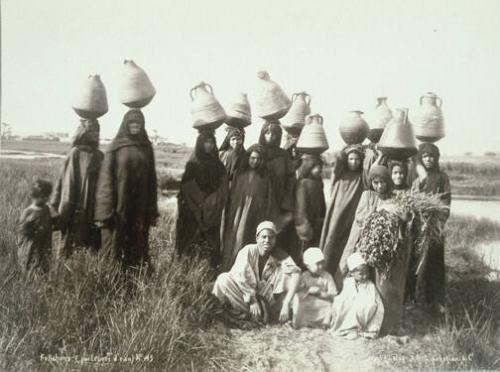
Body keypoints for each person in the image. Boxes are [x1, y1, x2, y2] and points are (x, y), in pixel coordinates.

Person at [340, 165, 411, 335]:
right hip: (371, 247)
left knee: (390, 286)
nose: (379, 186)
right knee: (372, 286)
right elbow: (360, 219)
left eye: (382, 182)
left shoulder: (397, 197)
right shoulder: (368, 196)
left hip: (391, 249)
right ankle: (370, 321)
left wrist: (399, 217)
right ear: (371, 182)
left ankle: (391, 323)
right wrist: (376, 216)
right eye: (376, 182)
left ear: (388, 182)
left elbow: (406, 219)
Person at [95, 109, 158, 271]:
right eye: (132, 122)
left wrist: (151, 210)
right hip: (119, 208)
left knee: (137, 248)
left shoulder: (146, 148)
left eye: (138, 123)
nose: (135, 125)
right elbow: (105, 181)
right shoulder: (116, 148)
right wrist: (105, 212)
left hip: (139, 209)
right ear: (126, 125)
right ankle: (110, 285)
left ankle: (134, 284)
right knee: (114, 250)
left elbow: (152, 180)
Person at [213, 221, 301, 325]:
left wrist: (286, 304)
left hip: (266, 302)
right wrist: (252, 300)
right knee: (223, 279)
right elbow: (239, 274)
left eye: (271, 237)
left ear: (275, 240)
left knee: (289, 277)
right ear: (257, 238)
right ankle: (221, 311)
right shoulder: (248, 250)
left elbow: (296, 273)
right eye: (264, 237)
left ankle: (261, 314)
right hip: (245, 297)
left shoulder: (279, 254)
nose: (267, 240)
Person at [220, 144, 279, 271]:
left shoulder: (265, 177)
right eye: (252, 158)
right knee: (233, 239)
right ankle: (228, 268)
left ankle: (243, 270)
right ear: (248, 158)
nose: (255, 161)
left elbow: (268, 198)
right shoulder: (239, 174)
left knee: (245, 240)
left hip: (254, 215)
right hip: (237, 213)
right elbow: (232, 194)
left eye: (258, 159)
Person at [51, 118, 103, 258]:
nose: (96, 133)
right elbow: (65, 182)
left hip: (93, 210)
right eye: (92, 130)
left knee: (90, 251)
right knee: (68, 248)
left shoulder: (99, 155)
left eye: (97, 130)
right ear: (83, 132)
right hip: (76, 210)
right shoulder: (75, 153)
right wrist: (59, 208)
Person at [176, 129, 228, 269]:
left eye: (212, 142)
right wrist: (199, 204)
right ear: (200, 143)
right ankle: (189, 274)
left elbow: (223, 189)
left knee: (209, 247)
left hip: (212, 213)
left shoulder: (219, 165)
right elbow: (186, 189)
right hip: (192, 214)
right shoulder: (192, 164)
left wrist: (210, 204)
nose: (209, 145)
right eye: (206, 142)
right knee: (191, 244)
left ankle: (209, 273)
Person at [411, 143, 451, 313]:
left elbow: (446, 202)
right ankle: (418, 299)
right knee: (418, 262)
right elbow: (412, 200)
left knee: (434, 263)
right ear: (421, 158)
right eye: (425, 156)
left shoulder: (442, 177)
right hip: (419, 226)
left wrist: (438, 221)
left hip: (435, 228)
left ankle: (436, 301)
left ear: (436, 158)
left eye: (431, 156)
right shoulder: (418, 177)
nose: (428, 159)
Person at [319, 145, 365, 281]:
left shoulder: (361, 178)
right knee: (331, 240)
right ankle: (325, 273)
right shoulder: (340, 175)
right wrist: (347, 147)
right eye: (351, 159)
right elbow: (339, 159)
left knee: (346, 244)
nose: (354, 162)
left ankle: (340, 276)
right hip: (336, 216)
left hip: (350, 216)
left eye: (357, 159)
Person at [258, 121, 297, 262]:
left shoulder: (283, 155)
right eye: (267, 133)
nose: (271, 136)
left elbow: (291, 180)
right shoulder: (256, 152)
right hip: (259, 202)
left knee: (275, 234)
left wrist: (286, 204)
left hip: (278, 201)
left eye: (274, 133)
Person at [331, 252, 384, 339]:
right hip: (350, 304)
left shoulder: (370, 284)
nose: (365, 276)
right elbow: (345, 295)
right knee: (340, 303)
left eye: (367, 272)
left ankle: (359, 329)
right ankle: (347, 328)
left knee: (361, 306)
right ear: (352, 273)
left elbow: (373, 298)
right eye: (361, 274)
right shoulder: (348, 282)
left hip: (363, 306)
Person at [293, 154, 326, 266]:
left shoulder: (319, 182)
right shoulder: (303, 183)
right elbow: (300, 208)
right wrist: (304, 227)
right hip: (306, 226)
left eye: (321, 167)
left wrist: (322, 219)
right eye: (317, 167)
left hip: (316, 224)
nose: (320, 170)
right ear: (309, 167)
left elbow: (322, 203)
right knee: (303, 252)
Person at [291, 248, 337, 329]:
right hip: (308, 302)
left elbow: (333, 294)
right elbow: (298, 291)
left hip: (322, 302)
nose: (321, 266)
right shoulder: (304, 276)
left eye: (322, 263)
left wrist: (320, 293)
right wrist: (307, 290)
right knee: (299, 303)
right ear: (308, 266)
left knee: (329, 307)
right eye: (317, 264)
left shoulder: (327, 277)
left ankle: (324, 324)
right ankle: (300, 323)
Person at [18, 180, 54, 274]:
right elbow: (23, 229)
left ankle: (41, 281)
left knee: (43, 264)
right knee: (31, 263)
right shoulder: (29, 211)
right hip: (32, 243)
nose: (46, 199)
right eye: (42, 197)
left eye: (47, 196)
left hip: (44, 242)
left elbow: (52, 220)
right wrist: (36, 230)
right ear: (34, 196)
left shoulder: (46, 209)